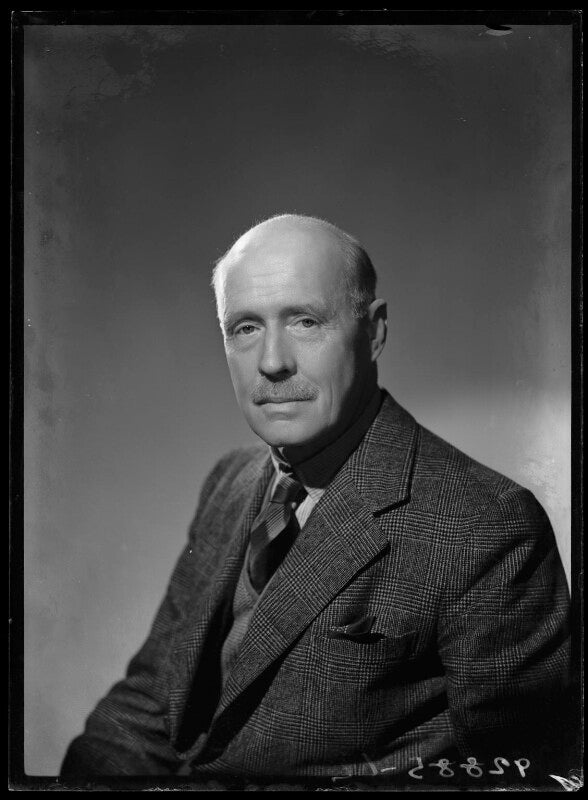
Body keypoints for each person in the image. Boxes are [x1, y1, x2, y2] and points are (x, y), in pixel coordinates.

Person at [61, 214, 571, 786]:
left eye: (305, 321)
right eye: (245, 328)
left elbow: (522, 777)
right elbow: (151, 705)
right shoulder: (230, 481)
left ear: (374, 331)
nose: (272, 362)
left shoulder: (486, 525)